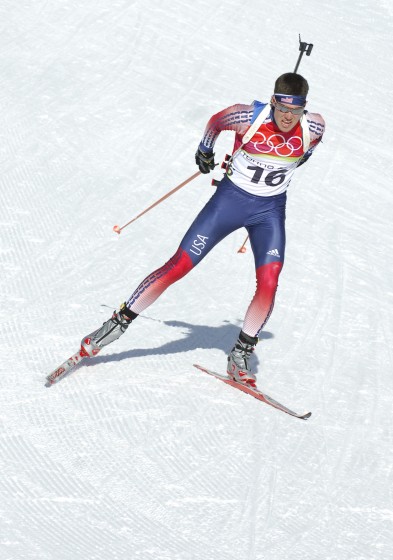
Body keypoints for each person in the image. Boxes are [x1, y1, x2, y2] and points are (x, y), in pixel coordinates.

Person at [80, 72, 325, 387]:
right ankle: (115, 325)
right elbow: (216, 122)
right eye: (283, 109)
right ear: (274, 101)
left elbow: (306, 152)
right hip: (228, 204)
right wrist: (205, 150)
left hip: (269, 212)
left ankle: (240, 355)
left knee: (269, 282)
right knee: (179, 265)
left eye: (296, 110)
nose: (289, 117)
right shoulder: (249, 116)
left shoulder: (314, 126)